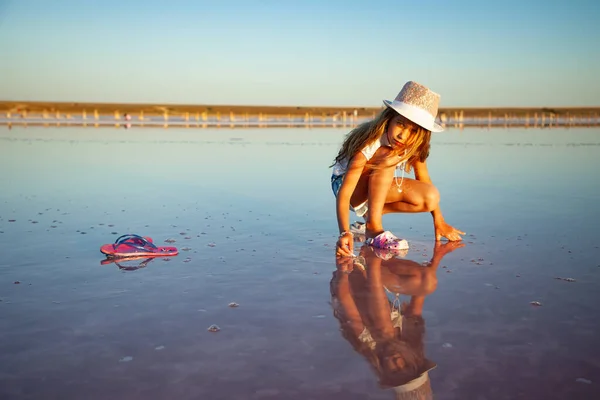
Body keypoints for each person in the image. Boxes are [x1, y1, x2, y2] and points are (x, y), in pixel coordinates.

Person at [331, 81, 465, 256]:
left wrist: (439, 220)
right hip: (345, 186)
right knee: (390, 155)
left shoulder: (414, 145)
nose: (403, 135)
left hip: (373, 185)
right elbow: (345, 192)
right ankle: (373, 227)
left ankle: (368, 220)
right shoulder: (371, 141)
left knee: (430, 197)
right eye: (400, 124)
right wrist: (343, 233)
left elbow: (424, 179)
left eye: (414, 131)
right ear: (390, 118)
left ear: (423, 133)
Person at [330, 241, 462, 399]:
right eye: (405, 365)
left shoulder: (367, 344)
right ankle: (371, 253)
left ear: (383, 369)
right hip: (370, 274)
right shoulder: (410, 337)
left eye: (394, 370)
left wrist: (343, 268)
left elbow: (344, 297)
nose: (397, 361)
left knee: (385, 332)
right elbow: (421, 292)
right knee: (427, 282)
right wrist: (438, 254)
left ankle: (372, 259)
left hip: (347, 280)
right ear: (414, 358)